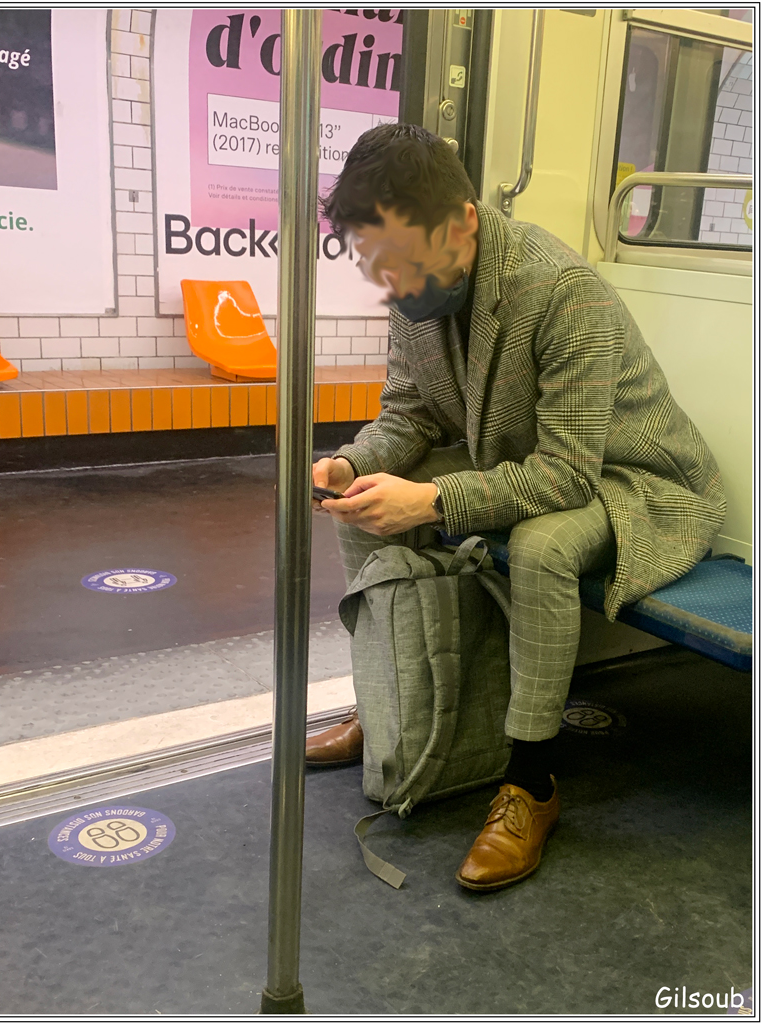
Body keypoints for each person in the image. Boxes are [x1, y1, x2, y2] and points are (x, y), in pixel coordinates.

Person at [306, 124, 725, 892]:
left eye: (405, 263)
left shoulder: (561, 290)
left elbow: (566, 476)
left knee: (540, 545)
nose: (394, 285)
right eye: (379, 267)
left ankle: (531, 782)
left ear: (462, 221)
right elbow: (409, 416)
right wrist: (352, 463)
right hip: (528, 460)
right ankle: (390, 699)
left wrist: (434, 499)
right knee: (364, 497)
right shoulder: (414, 288)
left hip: (635, 481)